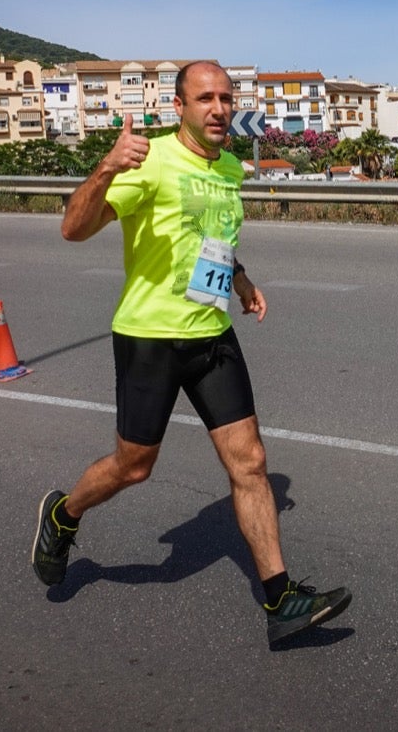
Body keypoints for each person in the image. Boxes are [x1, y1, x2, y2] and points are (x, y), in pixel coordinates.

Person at [32, 59, 350, 645]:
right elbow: (73, 230)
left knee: (250, 462)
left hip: (212, 334)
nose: (219, 109)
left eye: (226, 98)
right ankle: (64, 514)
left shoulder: (230, 166)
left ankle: (280, 599)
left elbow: (216, 238)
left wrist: (244, 281)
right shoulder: (148, 160)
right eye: (205, 98)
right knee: (135, 466)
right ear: (179, 106)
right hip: (150, 338)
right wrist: (105, 167)